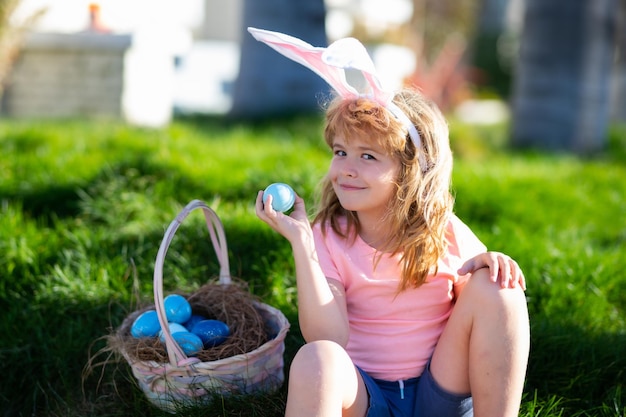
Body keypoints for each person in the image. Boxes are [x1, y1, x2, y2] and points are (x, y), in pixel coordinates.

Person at [252, 27, 530, 417]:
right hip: (368, 399)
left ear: (408, 172)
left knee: (501, 289)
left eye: (368, 157)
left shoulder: (444, 230)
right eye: (340, 151)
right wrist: (302, 243)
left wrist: (493, 264)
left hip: (441, 391)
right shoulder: (329, 235)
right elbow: (328, 337)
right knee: (316, 359)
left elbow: (484, 311)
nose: (346, 168)